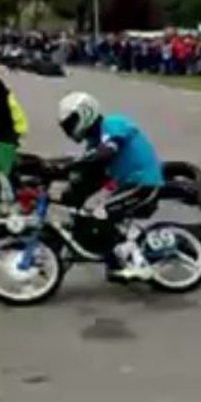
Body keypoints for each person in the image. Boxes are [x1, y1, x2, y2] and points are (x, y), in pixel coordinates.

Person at [56, 92, 164, 281]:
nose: (70, 129)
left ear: (85, 112)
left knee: (103, 212)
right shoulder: (93, 143)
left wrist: (77, 163)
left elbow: (108, 151)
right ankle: (117, 259)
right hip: (128, 184)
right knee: (94, 215)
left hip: (143, 181)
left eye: (71, 122)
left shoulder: (113, 124)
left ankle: (139, 264)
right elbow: (91, 175)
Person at [0, 62, 29, 210]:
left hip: (4, 136)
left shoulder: (2, 91)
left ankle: (20, 197)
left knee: (9, 168)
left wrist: (19, 130)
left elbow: (15, 111)